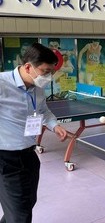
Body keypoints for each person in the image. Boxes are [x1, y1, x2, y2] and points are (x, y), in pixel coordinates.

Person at [0, 43, 67, 223]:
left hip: (29, 154)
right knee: (20, 213)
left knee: (28, 202)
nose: (49, 77)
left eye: (51, 72)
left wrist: (55, 125)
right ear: (28, 66)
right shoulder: (1, 83)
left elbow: (44, 111)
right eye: (45, 71)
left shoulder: (37, 87)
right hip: (6, 158)